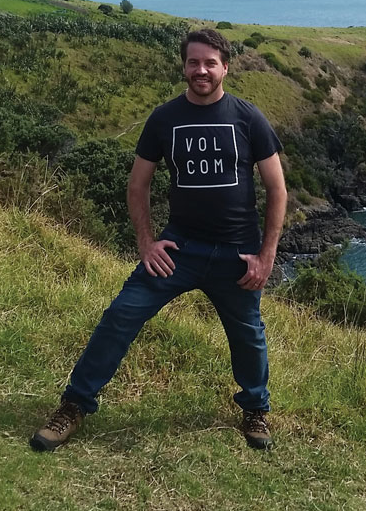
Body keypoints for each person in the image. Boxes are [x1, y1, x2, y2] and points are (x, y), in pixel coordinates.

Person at [30, 28, 287, 453]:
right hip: (179, 249)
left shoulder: (248, 118)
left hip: (236, 255)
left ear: (225, 67)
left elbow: (277, 190)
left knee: (248, 335)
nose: (200, 70)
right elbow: (137, 185)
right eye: (193, 62)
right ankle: (73, 406)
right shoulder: (164, 118)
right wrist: (146, 243)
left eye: (209, 63)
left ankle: (255, 409)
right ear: (183, 65)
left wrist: (266, 255)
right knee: (119, 317)